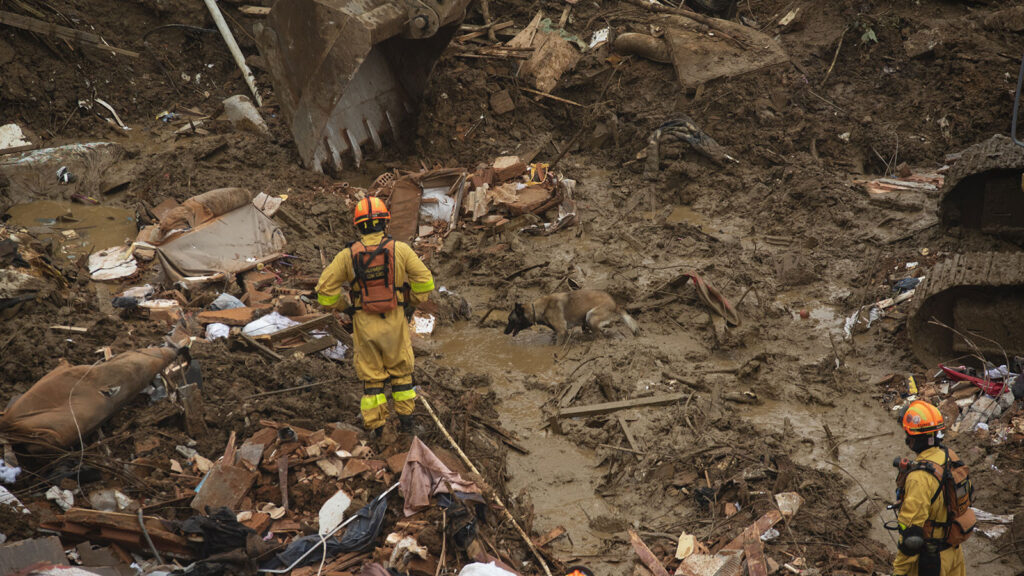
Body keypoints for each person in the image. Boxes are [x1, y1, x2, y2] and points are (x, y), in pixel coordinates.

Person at [315, 197, 434, 435]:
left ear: (358, 226)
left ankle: (377, 431)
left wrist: (346, 308)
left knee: (372, 381)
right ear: (384, 223)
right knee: (402, 376)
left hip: (364, 323)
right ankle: (407, 427)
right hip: (395, 321)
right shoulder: (401, 249)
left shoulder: (347, 255)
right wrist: (410, 303)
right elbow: (425, 281)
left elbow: (324, 293)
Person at [892, 400, 966, 576]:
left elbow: (911, 537)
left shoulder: (919, 478)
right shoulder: (949, 456)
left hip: (932, 561)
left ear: (912, 438)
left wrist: (899, 571)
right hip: (954, 554)